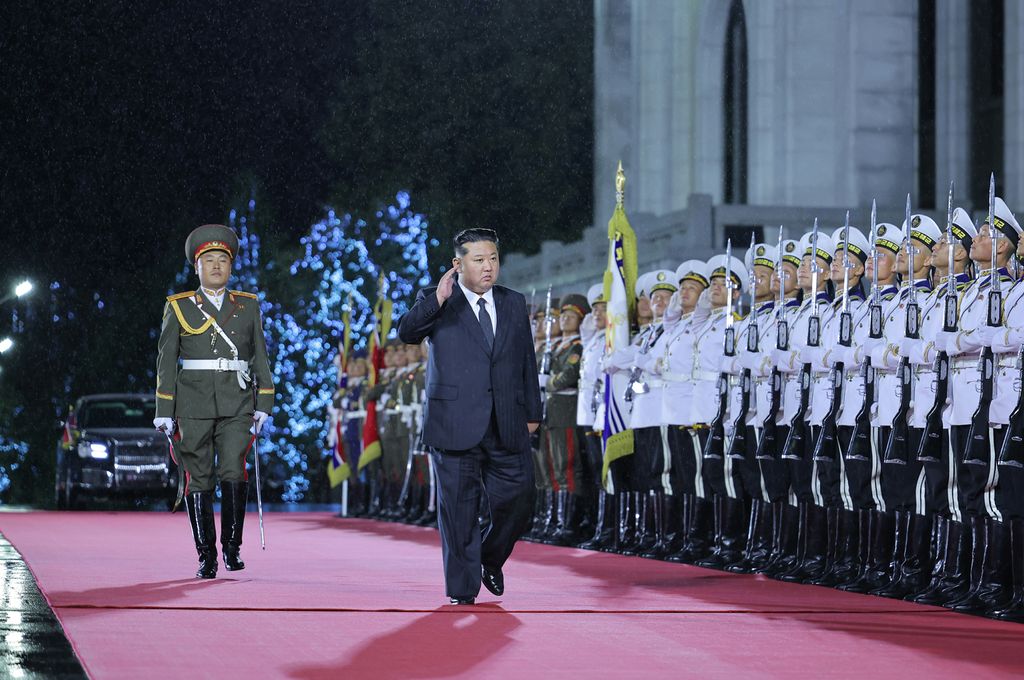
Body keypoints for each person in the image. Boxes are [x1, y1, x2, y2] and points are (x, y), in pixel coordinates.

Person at [398, 228, 542, 605]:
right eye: (479, 260)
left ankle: (490, 558)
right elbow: (407, 333)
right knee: (459, 511)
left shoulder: (513, 302)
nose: (488, 266)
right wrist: (438, 299)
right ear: (458, 264)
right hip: (453, 420)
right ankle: (463, 591)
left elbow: (526, 360)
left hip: (506, 421)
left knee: (521, 499)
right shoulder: (437, 299)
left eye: (493, 258)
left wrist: (533, 413)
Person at [154, 224, 275, 579]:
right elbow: (166, 361)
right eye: (209, 260)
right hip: (193, 403)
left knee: (234, 468)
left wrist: (264, 401)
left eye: (223, 259)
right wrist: (164, 410)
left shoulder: (248, 306)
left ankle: (232, 547)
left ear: (231, 266)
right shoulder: (179, 307)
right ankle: (206, 555)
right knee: (199, 475)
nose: (217, 266)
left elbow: (260, 356)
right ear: (197, 267)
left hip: (237, 401)